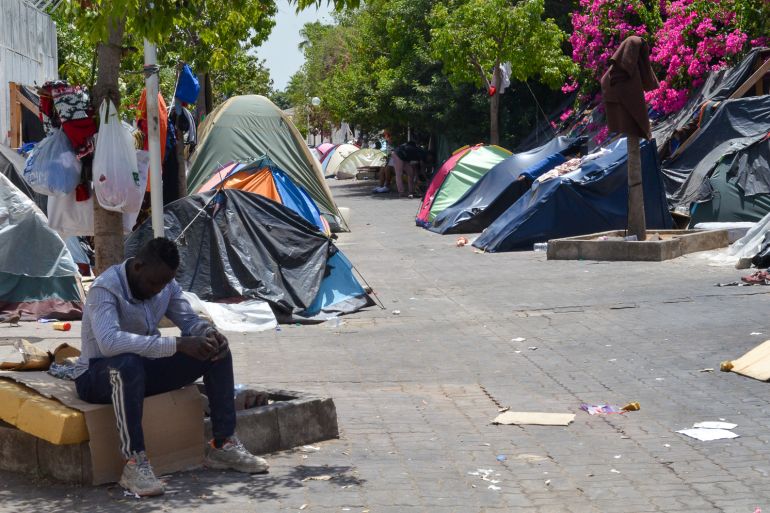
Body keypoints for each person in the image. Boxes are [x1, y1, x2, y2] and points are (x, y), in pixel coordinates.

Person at [74, 237, 267, 497]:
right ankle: (134, 464)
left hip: (143, 369)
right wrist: (176, 344)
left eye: (164, 284)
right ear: (138, 266)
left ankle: (223, 445)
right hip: (97, 375)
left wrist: (207, 333)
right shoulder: (105, 288)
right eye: (154, 283)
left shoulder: (166, 285)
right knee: (127, 364)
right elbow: (109, 343)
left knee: (216, 352)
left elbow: (189, 320)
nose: (158, 290)